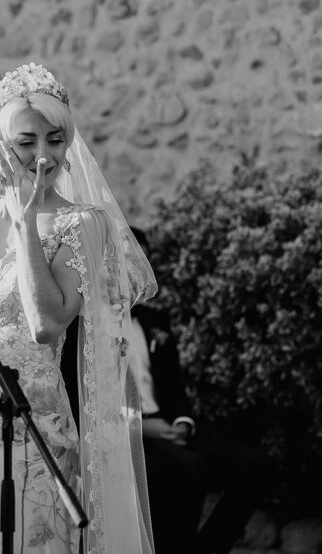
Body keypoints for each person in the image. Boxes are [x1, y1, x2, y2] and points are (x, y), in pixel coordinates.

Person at [0, 63, 157, 554]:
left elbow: (46, 325)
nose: (43, 157)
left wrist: (23, 222)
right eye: (26, 143)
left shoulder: (84, 225)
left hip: (31, 439)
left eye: (55, 141)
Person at [127, 227, 275, 554]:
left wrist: (182, 422)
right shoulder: (89, 325)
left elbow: (175, 388)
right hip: (128, 434)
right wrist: (137, 425)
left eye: (143, 260)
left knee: (256, 465)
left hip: (169, 424)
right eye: (130, 259)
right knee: (189, 469)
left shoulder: (156, 322)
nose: (138, 268)